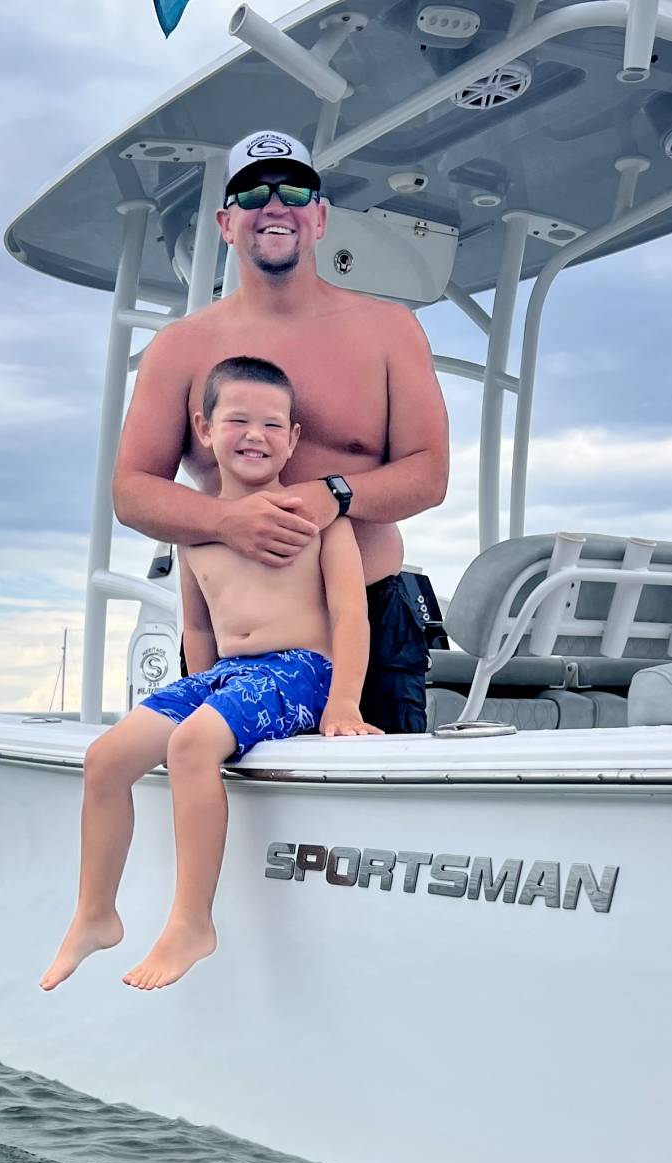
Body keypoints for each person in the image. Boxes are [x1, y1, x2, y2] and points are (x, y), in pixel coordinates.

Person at [40, 356, 380, 994]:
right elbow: (197, 629)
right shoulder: (194, 533)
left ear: (294, 439)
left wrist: (343, 705)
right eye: (239, 420)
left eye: (273, 425)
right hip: (228, 674)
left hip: (301, 669)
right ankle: (95, 914)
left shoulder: (319, 520)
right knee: (106, 758)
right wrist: (202, 697)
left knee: (190, 747)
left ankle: (192, 922)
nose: (256, 435)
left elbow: (351, 615)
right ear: (204, 428)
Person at [112, 128, 449, 733]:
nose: (275, 205)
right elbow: (131, 491)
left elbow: (429, 474)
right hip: (234, 638)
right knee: (241, 819)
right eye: (250, 193)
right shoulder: (178, 349)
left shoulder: (389, 330)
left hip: (369, 614)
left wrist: (334, 495)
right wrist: (226, 521)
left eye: (295, 190)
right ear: (224, 221)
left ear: (319, 218)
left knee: (387, 826)